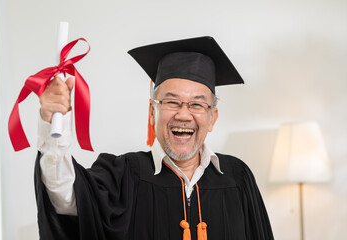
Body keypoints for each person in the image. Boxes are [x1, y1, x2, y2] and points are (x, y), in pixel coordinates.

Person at [35, 36, 274, 240]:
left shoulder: (237, 178)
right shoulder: (122, 176)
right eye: (171, 102)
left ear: (212, 117)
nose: (183, 114)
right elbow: (65, 197)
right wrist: (53, 123)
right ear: (152, 112)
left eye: (197, 105)